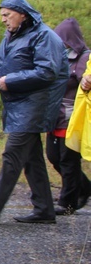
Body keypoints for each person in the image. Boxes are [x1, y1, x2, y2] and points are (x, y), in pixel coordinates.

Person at [0, 0, 68, 224]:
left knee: (12, 154)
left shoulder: (45, 36)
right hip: (18, 104)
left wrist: (10, 81)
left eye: (6, 14)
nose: (2, 19)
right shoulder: (11, 36)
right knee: (32, 159)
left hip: (36, 104)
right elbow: (2, 64)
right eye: (1, 15)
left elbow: (47, 72)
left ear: (22, 14)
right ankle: (44, 209)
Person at [45, 18, 91, 215]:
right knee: (54, 156)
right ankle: (85, 187)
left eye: (61, 40)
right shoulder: (57, 57)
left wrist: (87, 82)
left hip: (72, 117)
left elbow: (86, 79)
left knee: (68, 160)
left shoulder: (84, 58)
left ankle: (67, 203)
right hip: (54, 115)